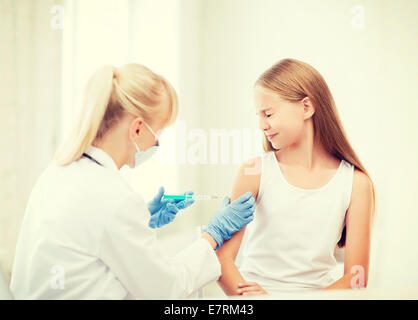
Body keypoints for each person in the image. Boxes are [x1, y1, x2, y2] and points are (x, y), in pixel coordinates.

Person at [10, 64, 255, 299]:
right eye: (159, 132)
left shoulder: (56, 173)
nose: (158, 143)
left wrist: (142, 221)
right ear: (137, 128)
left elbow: (91, 238)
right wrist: (214, 234)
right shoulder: (115, 199)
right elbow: (165, 289)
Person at [216, 58, 376, 296]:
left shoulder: (357, 184)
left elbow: (356, 279)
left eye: (268, 114)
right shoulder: (254, 172)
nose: (261, 125)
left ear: (307, 107)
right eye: (258, 116)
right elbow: (221, 258)